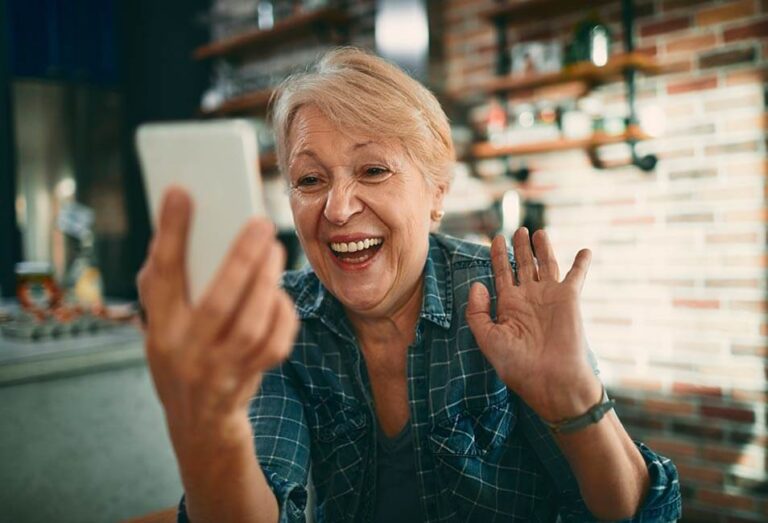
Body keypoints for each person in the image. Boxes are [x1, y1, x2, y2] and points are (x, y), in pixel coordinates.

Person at [138, 47, 681, 522]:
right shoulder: (278, 320)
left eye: (373, 171)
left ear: (437, 194)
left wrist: (575, 395)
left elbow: (636, 514)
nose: (339, 207)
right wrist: (209, 425)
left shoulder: (506, 300)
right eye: (310, 179)